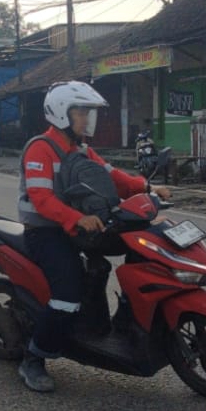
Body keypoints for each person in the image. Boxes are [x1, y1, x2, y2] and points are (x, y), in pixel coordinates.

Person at [15, 81, 171, 393]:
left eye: (88, 113)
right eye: (82, 113)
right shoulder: (40, 149)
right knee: (67, 294)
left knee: (140, 243)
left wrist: (147, 188)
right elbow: (42, 199)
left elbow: (113, 178)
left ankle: (126, 320)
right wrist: (77, 218)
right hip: (46, 232)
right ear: (62, 113)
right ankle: (34, 358)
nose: (87, 119)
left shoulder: (82, 150)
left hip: (81, 227)